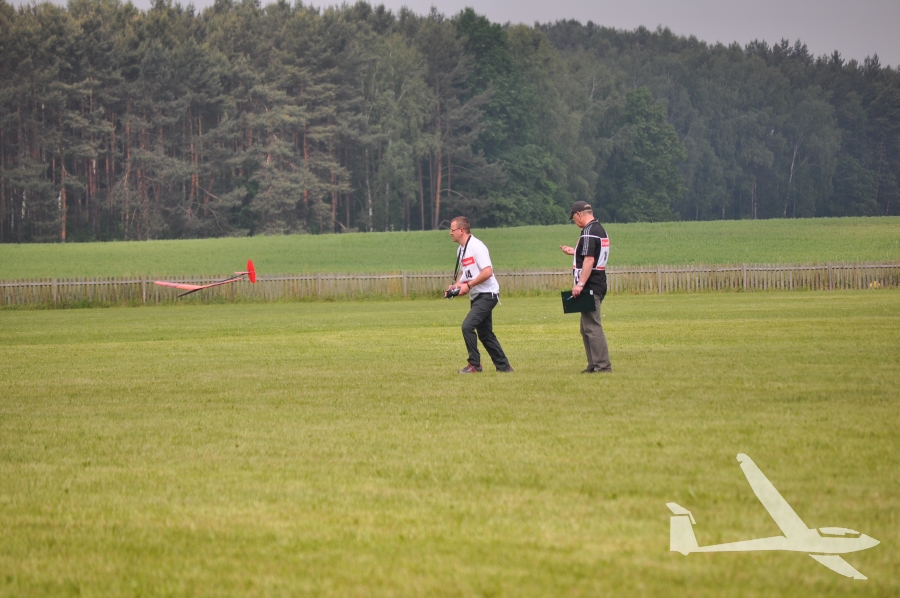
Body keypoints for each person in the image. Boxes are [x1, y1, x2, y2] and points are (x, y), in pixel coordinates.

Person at [447, 216, 513, 374]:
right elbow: (464, 273)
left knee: (467, 326)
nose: (450, 233)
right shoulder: (461, 249)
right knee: (485, 334)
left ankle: (475, 364)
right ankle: (504, 367)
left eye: (452, 230)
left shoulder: (477, 246)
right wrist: (456, 286)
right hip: (477, 295)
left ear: (461, 230)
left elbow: (487, 272)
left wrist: (468, 285)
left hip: (488, 294)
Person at [560, 201, 611, 373]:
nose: (575, 222)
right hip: (598, 282)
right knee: (585, 328)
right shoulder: (600, 229)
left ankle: (602, 366)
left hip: (590, 285)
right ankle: (593, 365)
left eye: (574, 218)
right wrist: (575, 252)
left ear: (579, 214)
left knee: (592, 327)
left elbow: (589, 260)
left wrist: (580, 284)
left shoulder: (589, 232)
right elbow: (593, 255)